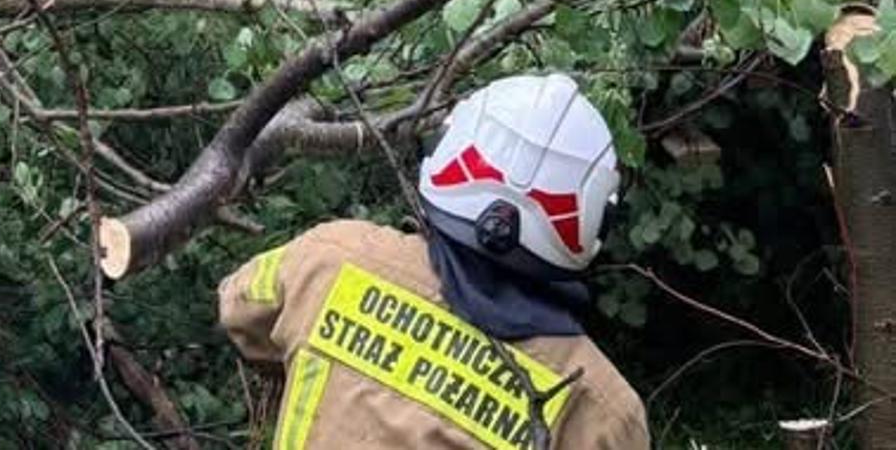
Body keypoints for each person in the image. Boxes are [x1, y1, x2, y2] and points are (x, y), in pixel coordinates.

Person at [217, 73, 650, 449]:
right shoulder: (604, 411)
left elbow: (238, 309)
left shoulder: (330, 257)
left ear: (447, 147)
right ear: (594, 217)